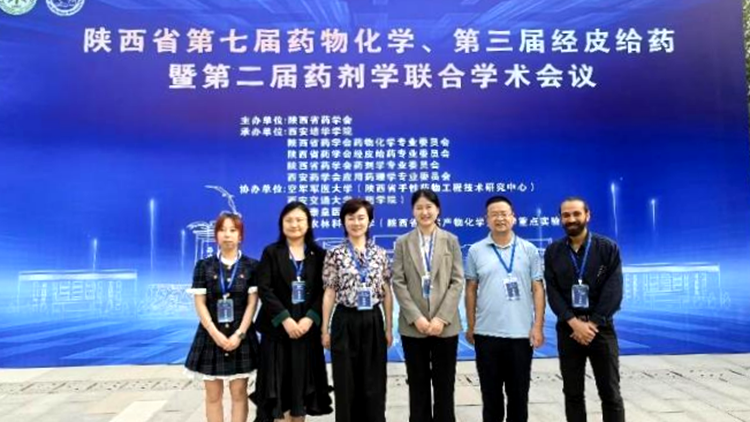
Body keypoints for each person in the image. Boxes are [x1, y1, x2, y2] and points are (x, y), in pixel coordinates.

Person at [464, 195, 546, 422]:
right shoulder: (476, 251)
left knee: (518, 396)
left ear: (513, 218)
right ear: (486, 220)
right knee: (490, 397)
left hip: (521, 335)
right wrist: (471, 325)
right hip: (486, 334)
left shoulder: (529, 250)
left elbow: (538, 288)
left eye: (504, 214)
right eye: (494, 215)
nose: (499, 218)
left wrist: (538, 326)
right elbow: (470, 289)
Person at [544, 197, 625, 422]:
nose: (571, 219)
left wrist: (593, 323)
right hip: (568, 330)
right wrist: (573, 322)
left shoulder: (607, 248)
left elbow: (614, 291)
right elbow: (553, 292)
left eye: (576, 214)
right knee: (572, 393)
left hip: (601, 329)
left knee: (610, 393)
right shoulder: (553, 251)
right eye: (566, 215)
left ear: (587, 215)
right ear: (560, 219)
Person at [252, 202, 333, 422]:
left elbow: (325, 291)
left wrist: (310, 319)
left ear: (308, 224)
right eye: (289, 220)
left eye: (299, 220)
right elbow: (265, 289)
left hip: (307, 334)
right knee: (278, 393)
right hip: (277, 334)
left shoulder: (320, 254)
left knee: (301, 393)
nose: (294, 224)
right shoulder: (271, 252)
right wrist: (285, 319)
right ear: (281, 224)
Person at [391, 189, 465, 422]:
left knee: (445, 384)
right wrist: (416, 317)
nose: (424, 212)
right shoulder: (403, 242)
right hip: (414, 327)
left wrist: (441, 318)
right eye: (419, 207)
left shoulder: (450, 240)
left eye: (429, 207)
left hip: (446, 326)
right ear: (413, 211)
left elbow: (457, 280)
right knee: (417, 384)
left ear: (437, 209)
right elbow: (398, 281)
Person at [321, 198, 394, 422]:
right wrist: (325, 329)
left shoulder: (380, 253)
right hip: (345, 319)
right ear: (344, 221)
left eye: (361, 217)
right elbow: (330, 292)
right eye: (350, 218)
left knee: (374, 382)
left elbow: (386, 291)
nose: (356, 222)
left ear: (369, 221)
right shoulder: (335, 253)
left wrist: (388, 327)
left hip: (372, 319)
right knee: (345, 381)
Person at [185, 212, 260, 422]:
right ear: (216, 235)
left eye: (232, 230)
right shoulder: (203, 266)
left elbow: (252, 304)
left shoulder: (252, 266)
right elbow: (200, 303)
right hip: (210, 336)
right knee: (213, 396)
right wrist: (214, 333)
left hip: (241, 337)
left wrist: (239, 334)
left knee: (239, 394)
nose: (227, 235)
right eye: (222, 230)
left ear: (240, 236)